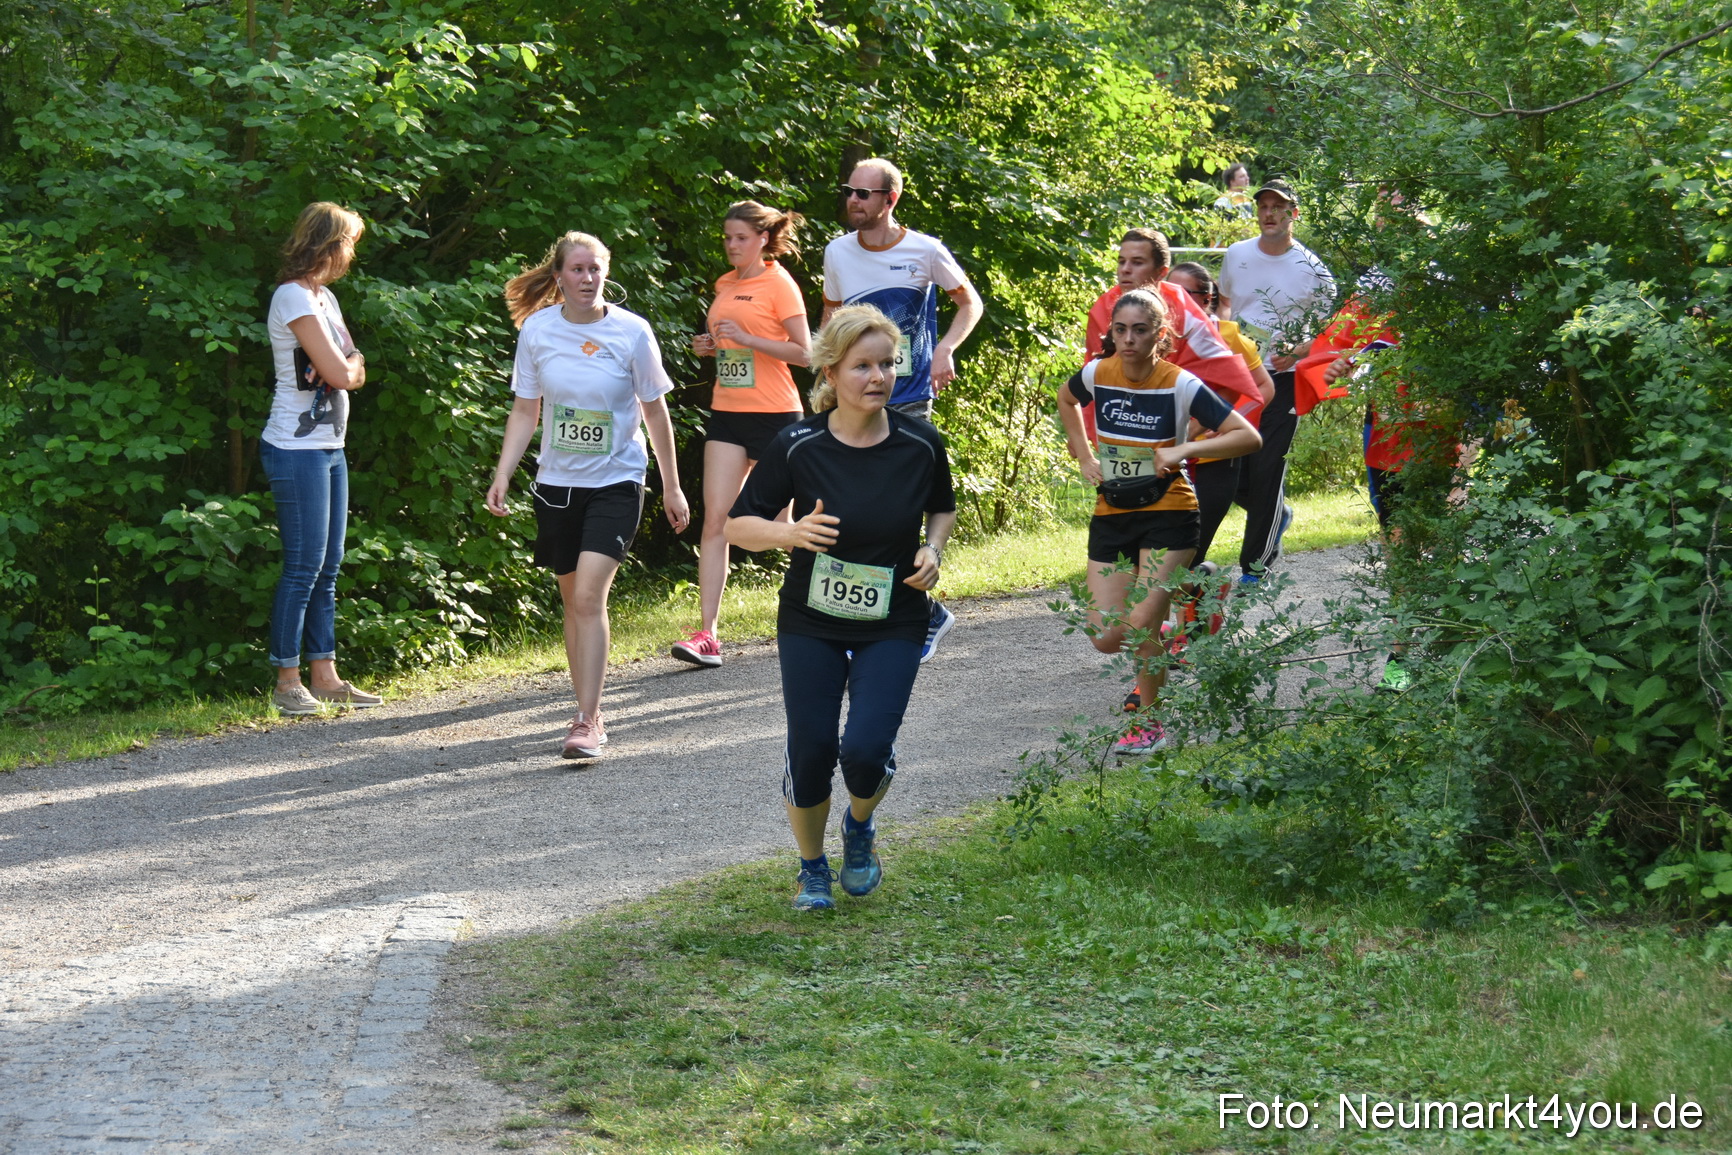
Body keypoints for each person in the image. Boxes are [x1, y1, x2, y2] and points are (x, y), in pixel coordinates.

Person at [725, 305, 956, 911]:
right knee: (811, 749)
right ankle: (811, 869)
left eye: (887, 364)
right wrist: (790, 533)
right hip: (812, 620)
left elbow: (942, 507)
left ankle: (858, 826)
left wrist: (932, 550)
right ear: (830, 371)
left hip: (894, 617)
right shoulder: (797, 444)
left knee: (864, 751)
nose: (878, 377)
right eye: (862, 366)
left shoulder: (920, 442)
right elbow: (736, 525)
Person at [487, 232, 690, 759]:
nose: (587, 278)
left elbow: (655, 411)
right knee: (571, 601)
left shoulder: (632, 332)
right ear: (558, 276)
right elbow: (525, 409)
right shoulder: (537, 330)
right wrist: (503, 473)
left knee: (587, 597)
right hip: (557, 485)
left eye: (595, 268)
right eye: (577, 269)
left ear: (607, 272)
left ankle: (587, 719)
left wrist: (671, 485)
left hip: (618, 480)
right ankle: (585, 707)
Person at [1056, 290, 1262, 755]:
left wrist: (1184, 448)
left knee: (1140, 622)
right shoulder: (1097, 373)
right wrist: (1084, 454)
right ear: (1111, 333)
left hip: (1170, 511)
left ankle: (1149, 725)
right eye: (1120, 330)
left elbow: (1247, 436)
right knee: (1107, 636)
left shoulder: (1180, 383)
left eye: (1140, 330)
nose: (1128, 339)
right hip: (1112, 513)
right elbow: (1066, 399)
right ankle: (1191, 597)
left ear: (1160, 335)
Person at [821, 156, 981, 663]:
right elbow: (831, 321)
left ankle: (915, 612)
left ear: (890, 199)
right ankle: (909, 612)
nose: (852, 199)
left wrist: (946, 348)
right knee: (856, 506)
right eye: (849, 191)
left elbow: (970, 303)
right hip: (853, 398)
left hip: (908, 396)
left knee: (897, 508)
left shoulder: (924, 250)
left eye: (863, 193)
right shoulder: (837, 252)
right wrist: (826, 378)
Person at [671, 201, 812, 669]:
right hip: (728, 414)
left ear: (763, 239)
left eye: (741, 238)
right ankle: (707, 635)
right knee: (717, 521)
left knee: (787, 529)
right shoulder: (724, 284)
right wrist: (710, 347)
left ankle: (837, 609)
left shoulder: (780, 285)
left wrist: (749, 340)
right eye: (727, 238)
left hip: (776, 416)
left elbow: (806, 354)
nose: (732, 245)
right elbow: (731, 346)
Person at [261, 202, 381, 716]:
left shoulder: (324, 298)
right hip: (295, 449)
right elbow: (340, 371)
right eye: (349, 242)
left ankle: (325, 676)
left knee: (328, 567)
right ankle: (287, 680)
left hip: (330, 447)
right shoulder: (292, 296)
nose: (351, 253)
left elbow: (355, 365)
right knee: (303, 566)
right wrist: (347, 367)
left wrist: (348, 366)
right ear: (329, 244)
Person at [1216, 178, 1338, 586]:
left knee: (1268, 469)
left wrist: (1300, 350)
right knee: (1231, 471)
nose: (1269, 214)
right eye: (1263, 207)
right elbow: (1225, 304)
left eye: (1278, 207)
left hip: (1283, 379)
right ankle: (1276, 514)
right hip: (1239, 376)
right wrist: (1224, 344)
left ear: (1293, 214)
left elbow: (1332, 329)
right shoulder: (1237, 255)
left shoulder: (1312, 269)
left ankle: (1255, 568)